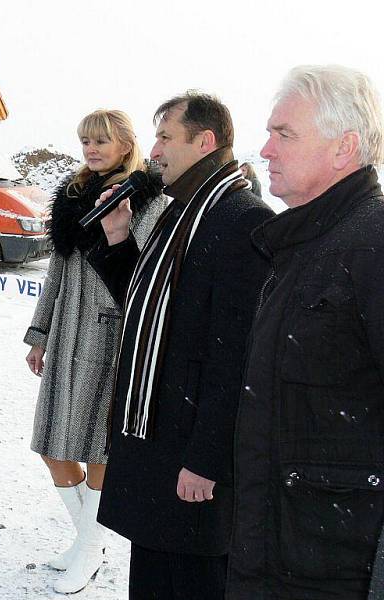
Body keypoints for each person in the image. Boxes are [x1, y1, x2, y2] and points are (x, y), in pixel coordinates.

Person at [89, 91, 274, 599]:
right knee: (154, 575)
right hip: (160, 441)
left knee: (192, 582)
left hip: (190, 453)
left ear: (205, 141)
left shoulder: (241, 220)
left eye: (166, 137)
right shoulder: (184, 212)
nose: (154, 150)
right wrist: (119, 238)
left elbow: (236, 358)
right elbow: (154, 307)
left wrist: (206, 460)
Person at [228, 65, 384, 600]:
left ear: (344, 148)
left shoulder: (372, 247)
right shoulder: (301, 246)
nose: (265, 150)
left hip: (335, 572)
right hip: (278, 556)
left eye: (284, 134)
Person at [23, 109, 165, 594]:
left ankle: (87, 549)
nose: (92, 148)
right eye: (86, 140)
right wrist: (40, 332)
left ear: (127, 143)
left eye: (102, 140)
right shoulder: (71, 196)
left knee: (102, 449)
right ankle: (93, 541)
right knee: (51, 445)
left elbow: (144, 276)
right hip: (67, 335)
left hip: (114, 337)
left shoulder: (149, 199)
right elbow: (56, 274)